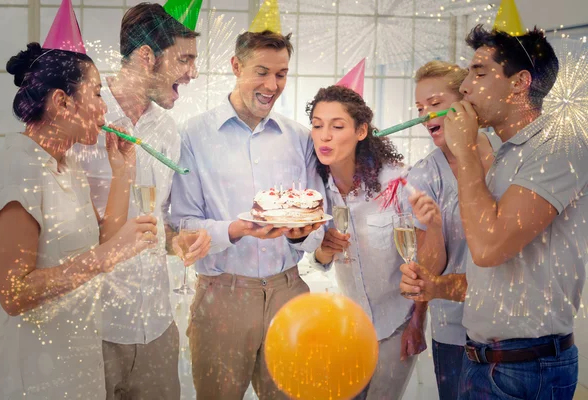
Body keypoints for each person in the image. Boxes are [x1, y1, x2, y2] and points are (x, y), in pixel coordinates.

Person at [407, 25, 586, 399]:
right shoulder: (507, 155)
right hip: (483, 360)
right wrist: (434, 286)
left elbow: (489, 249)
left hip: (526, 369)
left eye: (479, 72)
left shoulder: (558, 145)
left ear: (520, 83)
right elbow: (492, 280)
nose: (467, 87)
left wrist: (466, 152)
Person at [0, 43, 157, 399]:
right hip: (35, 379)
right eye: (96, 93)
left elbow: (103, 242)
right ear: (62, 102)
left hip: (77, 366)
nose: (104, 107)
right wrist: (105, 258)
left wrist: (123, 172)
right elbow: (13, 294)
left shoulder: (69, 164)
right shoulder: (20, 169)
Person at [170, 30, 325, 399]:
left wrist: (298, 233)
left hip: (289, 291)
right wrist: (237, 230)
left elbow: (318, 219)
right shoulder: (193, 136)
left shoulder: (300, 138)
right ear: (236, 66)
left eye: (282, 74)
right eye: (262, 71)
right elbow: (183, 223)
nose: (272, 85)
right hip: (222, 295)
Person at [70, 3, 210, 399]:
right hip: (94, 328)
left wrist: (177, 240)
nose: (193, 72)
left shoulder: (168, 132)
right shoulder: (84, 121)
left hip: (157, 327)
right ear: (147, 56)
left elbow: (160, 220)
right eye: (184, 59)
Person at [301, 84, 423, 400]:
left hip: (396, 324)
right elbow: (318, 262)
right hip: (349, 328)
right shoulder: (315, 189)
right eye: (317, 125)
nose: (324, 136)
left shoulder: (394, 183)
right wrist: (324, 251)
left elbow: (423, 257)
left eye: (337, 126)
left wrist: (418, 323)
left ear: (361, 131)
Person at [397, 60, 500, 400]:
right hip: (455, 331)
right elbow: (428, 271)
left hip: (510, 324)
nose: (426, 114)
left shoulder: (507, 156)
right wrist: (434, 226)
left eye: (436, 103)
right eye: (420, 107)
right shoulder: (424, 175)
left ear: (465, 101)